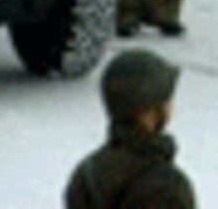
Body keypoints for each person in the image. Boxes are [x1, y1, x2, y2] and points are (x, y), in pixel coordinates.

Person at [64, 49, 195, 209]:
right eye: (166, 100)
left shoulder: (87, 173)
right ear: (150, 111)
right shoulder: (166, 187)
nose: (171, 107)